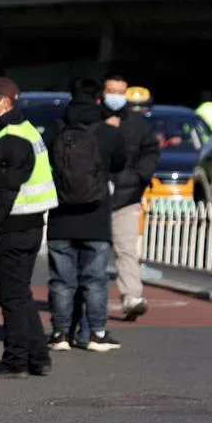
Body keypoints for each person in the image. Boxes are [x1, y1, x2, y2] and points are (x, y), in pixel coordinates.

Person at [0, 76, 58, 379]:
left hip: (13, 226)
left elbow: (6, 190)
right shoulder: (24, 131)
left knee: (10, 297)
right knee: (20, 294)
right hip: (29, 224)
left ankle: (15, 361)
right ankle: (38, 357)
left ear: (5, 102)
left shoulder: (10, 138)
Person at [45, 79, 127, 354]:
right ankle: (97, 334)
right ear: (98, 100)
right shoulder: (107, 132)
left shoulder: (55, 130)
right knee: (95, 280)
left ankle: (59, 334)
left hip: (60, 217)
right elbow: (120, 162)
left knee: (61, 281)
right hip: (96, 217)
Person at [103, 73, 159, 322]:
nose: (115, 96)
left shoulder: (137, 125)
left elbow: (150, 152)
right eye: (110, 90)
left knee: (126, 249)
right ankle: (86, 299)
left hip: (127, 197)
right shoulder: (92, 121)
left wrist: (138, 178)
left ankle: (132, 297)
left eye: (119, 91)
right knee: (94, 252)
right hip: (95, 197)